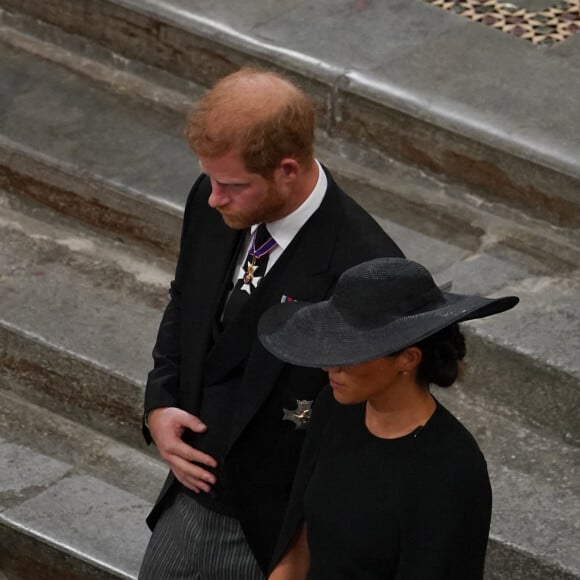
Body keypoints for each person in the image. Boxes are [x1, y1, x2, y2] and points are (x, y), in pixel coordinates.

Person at [138, 68, 404, 578]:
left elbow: (359, 428)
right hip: (188, 500)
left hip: (274, 530)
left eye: (232, 185)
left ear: (287, 169)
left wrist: (296, 552)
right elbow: (185, 303)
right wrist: (161, 400)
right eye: (211, 178)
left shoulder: (363, 268)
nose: (214, 197)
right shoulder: (210, 199)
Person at [258, 257, 519, 579]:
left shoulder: (452, 470)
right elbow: (300, 540)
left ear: (408, 358)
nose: (330, 366)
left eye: (350, 351)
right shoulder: (334, 407)